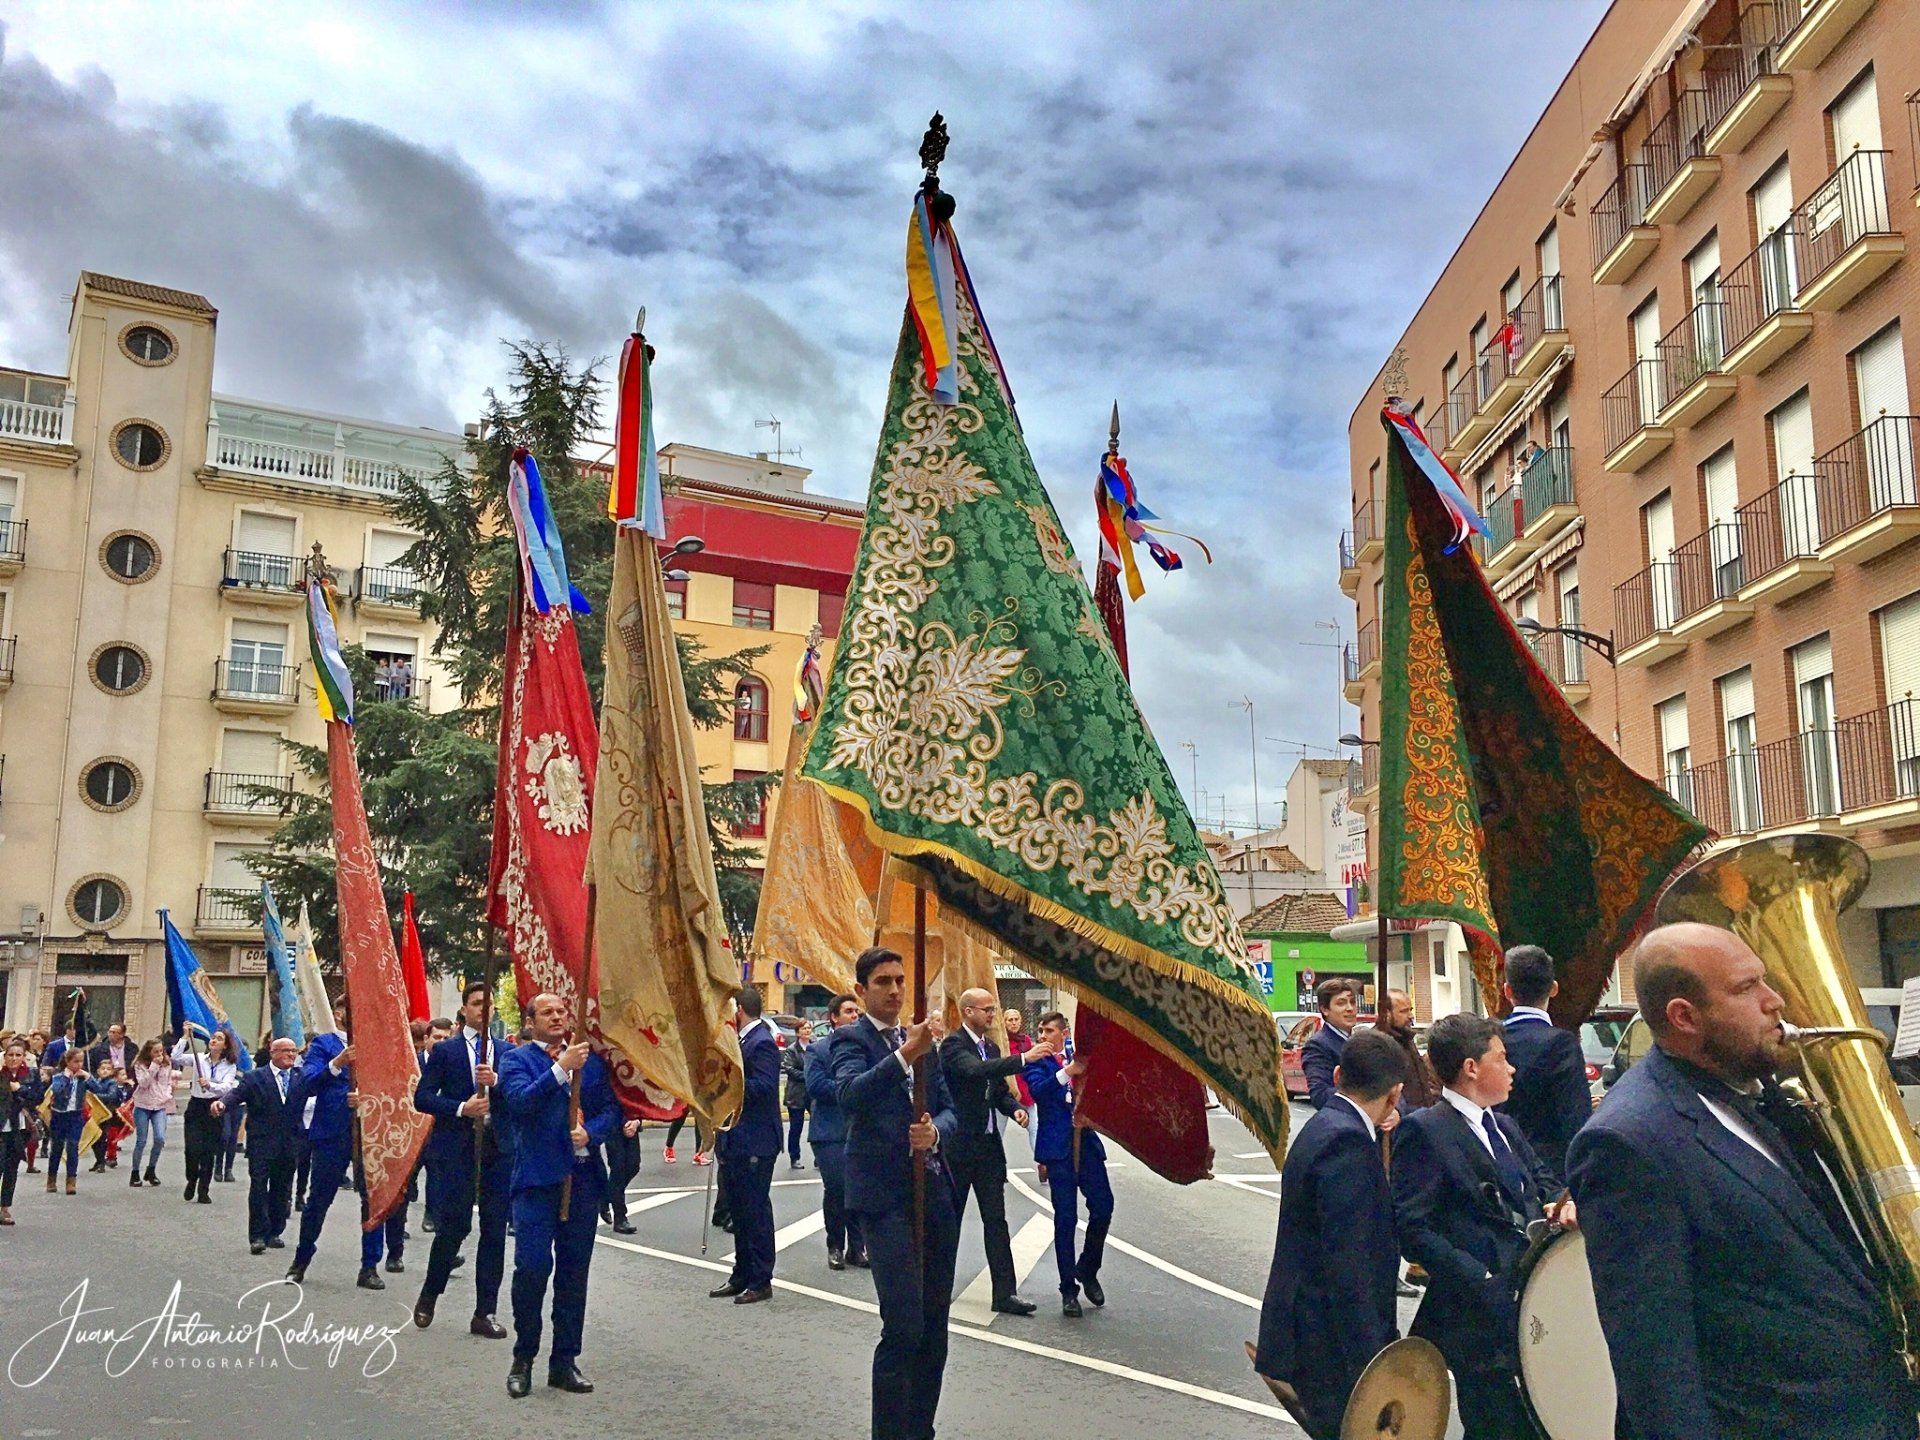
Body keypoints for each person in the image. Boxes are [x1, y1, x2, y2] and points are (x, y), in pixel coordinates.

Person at [1567, 922, 1913, 1440]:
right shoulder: (1627, 1143)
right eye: (1746, 988)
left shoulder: (1771, 1089)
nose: (1775, 1001)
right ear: (1684, 1017)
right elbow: (1656, 1365)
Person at [1391, 1012, 1570, 1440]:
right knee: (1494, 1427)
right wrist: (1480, 1276)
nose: (1512, 1069)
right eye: (1502, 1058)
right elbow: (1413, 1228)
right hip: (1477, 1318)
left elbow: (1544, 1182)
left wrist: (1560, 1205)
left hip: (1531, 1303)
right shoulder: (1426, 1131)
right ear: (1471, 1068)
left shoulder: (1504, 1126)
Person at [1255, 1029, 1408, 1438]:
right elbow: (1350, 1263)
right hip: (1328, 1344)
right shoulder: (1349, 1143)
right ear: (1394, 1095)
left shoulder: (1325, 1125)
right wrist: (1371, 1361)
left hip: (1306, 1332)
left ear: (1338, 1074)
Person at [833, 946, 960, 1440]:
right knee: (904, 1325)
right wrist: (906, 1052)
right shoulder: (851, 1039)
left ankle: (919, 1429)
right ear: (862, 991)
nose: (895, 990)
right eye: (883, 981)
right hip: (884, 1200)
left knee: (934, 1328)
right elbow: (850, 1095)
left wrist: (936, 1132)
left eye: (900, 980)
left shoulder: (928, 1043)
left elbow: (949, 1110)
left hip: (933, 1195)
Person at [496, 992, 619, 1398]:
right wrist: (560, 1071)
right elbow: (519, 1103)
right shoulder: (517, 1060)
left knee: (573, 1274)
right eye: (546, 1012)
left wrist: (592, 1132)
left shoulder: (589, 1062)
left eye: (560, 1011)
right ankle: (524, 1356)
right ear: (530, 1021)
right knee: (531, 1269)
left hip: (581, 1180)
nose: (555, 1017)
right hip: (537, 1181)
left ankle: (564, 1361)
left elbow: (610, 1110)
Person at [412, 982, 512, 1338]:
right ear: (464, 1010)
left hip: (496, 1151)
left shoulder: (506, 1051)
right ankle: (430, 1292)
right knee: (454, 1227)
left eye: (490, 1003)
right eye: (476, 1003)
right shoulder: (446, 1052)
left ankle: (485, 1311)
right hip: (456, 1148)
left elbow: (517, 1097)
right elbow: (422, 1098)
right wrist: (460, 1108)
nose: (484, 1009)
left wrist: (497, 1084)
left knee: (494, 1231)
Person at [940, 986, 1046, 1317]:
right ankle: (937, 1291)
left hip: (987, 1148)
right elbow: (975, 1071)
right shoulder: (954, 1046)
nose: (992, 1014)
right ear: (968, 1011)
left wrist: (1013, 1107)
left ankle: (1005, 1293)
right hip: (958, 1148)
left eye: (993, 1009)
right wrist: (1023, 1059)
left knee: (996, 1222)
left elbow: (997, 1090)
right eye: (986, 1009)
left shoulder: (991, 1046)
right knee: (948, 1223)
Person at [1022, 1011, 1113, 1317]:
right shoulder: (1037, 1060)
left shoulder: (1081, 1055)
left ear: (1064, 1033)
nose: (1043, 1036)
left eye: (1049, 1031)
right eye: (1041, 1031)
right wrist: (1067, 1072)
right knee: (1066, 1218)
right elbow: (1037, 1092)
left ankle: (1087, 1269)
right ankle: (1067, 1291)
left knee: (1103, 1206)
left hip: (1085, 1143)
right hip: (1059, 1149)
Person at [1496, 945, 1590, 1187]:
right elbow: (1575, 1119)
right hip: (1551, 1174)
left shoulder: (1488, 1040)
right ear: (1554, 988)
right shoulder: (1562, 1044)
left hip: (1497, 1167)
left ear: (1507, 990)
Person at [710, 985, 781, 1305]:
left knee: (755, 1211)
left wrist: (727, 1085)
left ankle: (760, 1279)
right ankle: (741, 1274)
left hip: (755, 1140)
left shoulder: (762, 1041)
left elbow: (765, 1087)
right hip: (735, 1139)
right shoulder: (739, 1041)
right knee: (737, 1211)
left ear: (738, 1010)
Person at [287, 1012, 355, 1285]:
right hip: (331, 1131)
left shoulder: (376, 1042)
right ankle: (302, 1257)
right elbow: (308, 1082)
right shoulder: (323, 1044)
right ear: (340, 1014)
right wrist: (337, 1063)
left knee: (373, 1200)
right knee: (319, 1199)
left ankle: (370, 1265)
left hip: (368, 1129)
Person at [221, 1037, 303, 1253]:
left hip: (289, 1144)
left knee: (282, 1188)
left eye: (294, 1051)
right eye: (286, 1051)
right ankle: (257, 1235)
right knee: (258, 1187)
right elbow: (236, 1095)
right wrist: (222, 1104)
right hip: (262, 1143)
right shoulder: (256, 1077)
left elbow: (319, 1084)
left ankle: (275, 1231)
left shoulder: (299, 1077)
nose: (291, 1055)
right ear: (273, 1052)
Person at [806, 993, 865, 1269]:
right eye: (849, 1011)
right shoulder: (818, 1050)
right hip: (829, 1131)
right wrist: (849, 1089)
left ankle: (857, 1247)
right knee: (837, 1188)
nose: (854, 1016)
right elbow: (816, 1085)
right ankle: (835, 1246)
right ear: (834, 1017)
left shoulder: (864, 1045)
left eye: (856, 1012)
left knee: (858, 1188)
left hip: (860, 1129)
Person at [173, 1029, 240, 1204]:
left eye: (219, 1039)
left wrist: (209, 1085)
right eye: (213, 1038)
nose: (214, 1041)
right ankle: (192, 1178)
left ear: (225, 1045)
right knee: (192, 1149)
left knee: (209, 1151)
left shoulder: (229, 1065)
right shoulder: (198, 1059)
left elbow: (227, 1087)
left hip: (214, 1107)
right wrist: (185, 1037)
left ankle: (204, 1189)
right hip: (196, 1105)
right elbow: (176, 1057)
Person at [45, 1049, 114, 1195]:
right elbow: (57, 1091)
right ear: (68, 1062)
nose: (79, 1064)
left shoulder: (83, 1078)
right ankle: (51, 1179)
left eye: (81, 1061)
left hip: (75, 1116)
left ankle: (71, 1180)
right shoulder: (58, 1076)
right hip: (59, 1116)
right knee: (56, 1148)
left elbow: (98, 1089)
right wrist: (68, 1078)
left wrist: (88, 1077)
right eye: (76, 1061)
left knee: (72, 1147)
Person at [1, 1036, 45, 1224]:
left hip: (20, 1127)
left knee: (11, 1167)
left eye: (18, 1055)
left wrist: (20, 1089)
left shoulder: (31, 1075)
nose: (13, 1058)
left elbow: (38, 1097)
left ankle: (4, 1208)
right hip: (2, 1125)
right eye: (10, 1055)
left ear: (23, 1057)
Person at [1378, 989, 1440, 1110]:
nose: (1410, 1016)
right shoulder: (1379, 1044)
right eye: (1404, 1011)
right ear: (1387, 1013)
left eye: (1410, 1010)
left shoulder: (1407, 1039)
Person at [1303, 979, 1359, 1110]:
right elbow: (1320, 1095)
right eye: (1341, 1003)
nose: (1350, 1008)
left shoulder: (1362, 1041)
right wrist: (1366, 1097)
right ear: (1325, 1009)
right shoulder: (1318, 1045)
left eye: (1352, 1002)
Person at [128, 1038, 174, 1187]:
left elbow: (167, 1082)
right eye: (156, 1052)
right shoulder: (140, 1065)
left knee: (160, 1138)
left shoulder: (167, 1063)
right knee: (141, 1140)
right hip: (143, 1104)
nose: (159, 1054)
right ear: (149, 1052)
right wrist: (154, 1066)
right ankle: (135, 1172)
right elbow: (144, 1083)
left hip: (159, 1105)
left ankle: (151, 1169)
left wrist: (167, 1094)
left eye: (161, 1051)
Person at [602, 1110, 642, 1234]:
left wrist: (637, 1122)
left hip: (631, 1120)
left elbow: (638, 1101)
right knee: (618, 1169)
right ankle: (620, 1218)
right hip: (613, 1126)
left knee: (633, 1166)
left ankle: (604, 1198)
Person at [782, 1019, 812, 1170]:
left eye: (808, 1028)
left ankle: (818, 1158)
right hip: (796, 1094)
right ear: (797, 1032)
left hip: (812, 1093)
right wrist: (808, 1075)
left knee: (817, 1125)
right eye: (804, 1029)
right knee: (796, 1127)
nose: (807, 1031)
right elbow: (789, 1069)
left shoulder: (814, 1047)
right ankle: (795, 1158)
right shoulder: (792, 1050)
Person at [1004, 1008, 1035, 1106]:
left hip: (1025, 1088)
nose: (1014, 1023)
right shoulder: (1002, 1041)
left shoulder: (1026, 1040)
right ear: (1004, 1022)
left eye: (1016, 1019)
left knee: (1032, 1121)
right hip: (1006, 1088)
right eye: (1010, 1020)